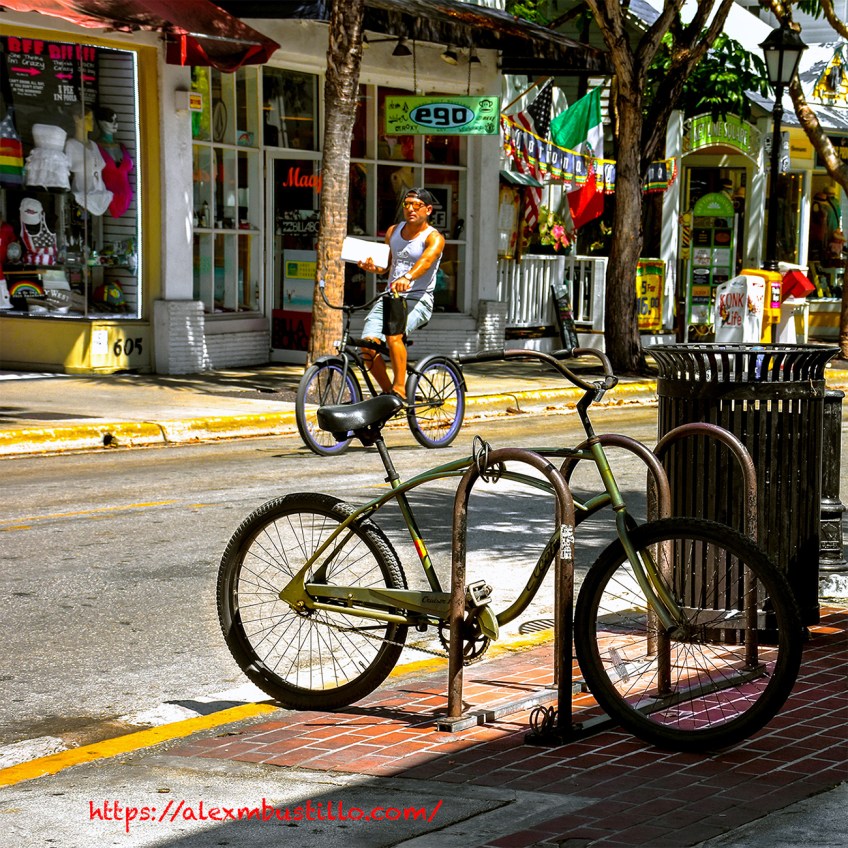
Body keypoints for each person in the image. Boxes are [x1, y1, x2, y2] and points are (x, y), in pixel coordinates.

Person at [357, 187, 445, 400]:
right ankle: (388, 395)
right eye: (407, 205)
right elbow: (386, 266)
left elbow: (425, 262)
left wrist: (408, 277)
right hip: (390, 297)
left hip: (418, 299)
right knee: (367, 346)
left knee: (393, 333)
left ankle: (400, 389)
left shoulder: (434, 238)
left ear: (428, 209)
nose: (411, 209)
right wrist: (371, 267)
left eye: (417, 205)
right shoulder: (393, 231)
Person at [65, 107, 113, 216]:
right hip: (82, 195)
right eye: (87, 119)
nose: (91, 122)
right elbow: (66, 169)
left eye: (92, 119)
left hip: (100, 193)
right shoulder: (71, 145)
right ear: (76, 119)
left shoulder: (94, 145)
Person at [94, 106, 134, 218]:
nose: (115, 124)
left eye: (116, 120)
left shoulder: (121, 147)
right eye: (111, 120)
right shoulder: (95, 147)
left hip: (127, 199)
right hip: (106, 201)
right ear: (100, 122)